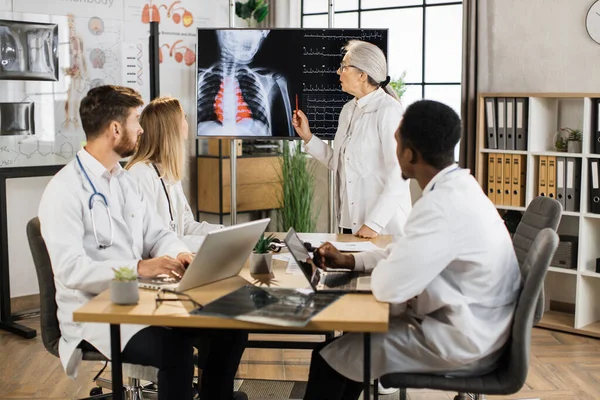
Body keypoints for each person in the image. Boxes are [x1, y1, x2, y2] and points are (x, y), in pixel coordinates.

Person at [301, 100, 523, 400]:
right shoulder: (459, 188)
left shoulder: (439, 207)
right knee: (345, 355)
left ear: (408, 154)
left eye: (396, 143)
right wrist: (352, 261)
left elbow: (388, 288)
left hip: (464, 341)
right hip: (477, 325)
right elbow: (404, 252)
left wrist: (379, 268)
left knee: (329, 360)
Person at [38, 85, 247, 400]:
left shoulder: (123, 180)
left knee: (229, 329)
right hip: (97, 313)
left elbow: (159, 233)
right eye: (136, 120)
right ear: (115, 128)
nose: (140, 129)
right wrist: (138, 268)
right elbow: (71, 271)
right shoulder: (64, 190)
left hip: (145, 300)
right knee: (175, 352)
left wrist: (181, 254)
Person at [292, 39, 411, 239]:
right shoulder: (348, 110)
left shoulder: (389, 111)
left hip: (382, 227)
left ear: (362, 75)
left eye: (344, 67)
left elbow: (399, 174)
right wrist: (308, 136)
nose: (338, 72)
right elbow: (340, 162)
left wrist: (374, 224)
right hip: (349, 221)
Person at [126, 96, 223, 252]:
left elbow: (185, 225)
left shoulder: (168, 173)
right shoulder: (140, 174)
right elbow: (153, 240)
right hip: (156, 265)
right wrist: (213, 243)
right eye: (183, 118)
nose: (187, 123)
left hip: (175, 257)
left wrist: (223, 233)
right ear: (171, 128)